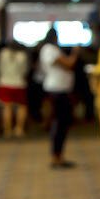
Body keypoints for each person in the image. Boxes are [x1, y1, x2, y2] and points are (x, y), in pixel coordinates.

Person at [40, 28, 79, 168]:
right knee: (60, 123)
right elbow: (68, 64)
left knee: (62, 123)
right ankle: (56, 156)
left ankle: (58, 155)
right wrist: (75, 53)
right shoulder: (50, 49)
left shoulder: (50, 49)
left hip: (59, 88)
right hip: (57, 89)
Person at [0, 41, 29, 138]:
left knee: (6, 107)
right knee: (21, 107)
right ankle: (19, 129)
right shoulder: (22, 55)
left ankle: (7, 130)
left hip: (4, 82)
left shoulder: (3, 53)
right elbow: (25, 70)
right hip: (19, 83)